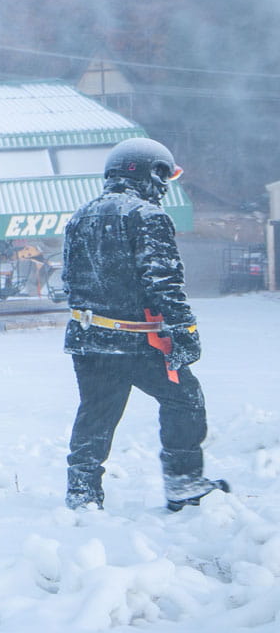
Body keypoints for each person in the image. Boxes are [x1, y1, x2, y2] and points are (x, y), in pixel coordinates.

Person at [59, 137, 225, 511]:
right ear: (147, 172)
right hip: (138, 341)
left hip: (87, 338)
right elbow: (164, 282)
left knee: (96, 414)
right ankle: (184, 483)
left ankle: (82, 493)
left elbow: (68, 282)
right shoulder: (147, 216)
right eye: (163, 175)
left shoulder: (80, 216)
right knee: (186, 401)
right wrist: (185, 331)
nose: (165, 186)